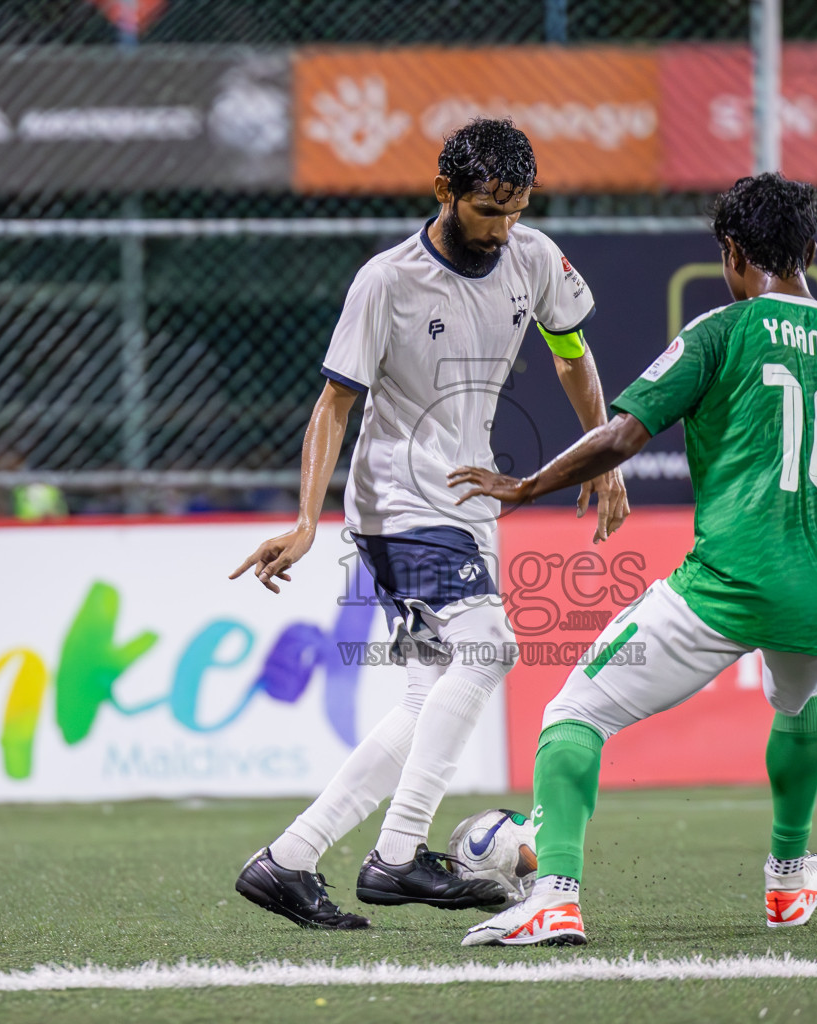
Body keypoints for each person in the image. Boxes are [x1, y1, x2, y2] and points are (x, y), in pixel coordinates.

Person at [450, 172, 817, 946]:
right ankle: (788, 878)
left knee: (575, 713)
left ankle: (555, 895)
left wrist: (527, 484)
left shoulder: (721, 332)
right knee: (799, 700)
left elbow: (624, 436)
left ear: (731, 253)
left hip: (730, 586)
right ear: (808, 249)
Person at [231, 118, 630, 929]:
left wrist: (604, 455)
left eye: (517, 209)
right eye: (489, 210)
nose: (503, 228)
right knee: (490, 648)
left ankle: (289, 860)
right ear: (443, 190)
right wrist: (307, 521)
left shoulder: (532, 256)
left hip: (468, 502)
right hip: (399, 502)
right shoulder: (387, 282)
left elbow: (570, 352)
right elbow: (333, 403)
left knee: (426, 698)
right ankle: (401, 855)